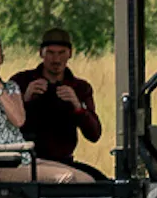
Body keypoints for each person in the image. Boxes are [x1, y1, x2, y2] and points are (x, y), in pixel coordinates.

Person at [0, 35, 87, 184]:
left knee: (87, 180)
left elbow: (19, 120)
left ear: (1, 61)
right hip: (0, 164)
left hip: (24, 158)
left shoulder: (10, 88)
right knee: (66, 178)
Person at [7, 28, 103, 180]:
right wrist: (24, 100)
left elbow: (94, 134)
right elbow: (4, 126)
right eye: (50, 53)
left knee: (101, 183)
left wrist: (77, 107)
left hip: (64, 161)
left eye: (61, 53)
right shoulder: (21, 81)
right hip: (27, 161)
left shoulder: (80, 87)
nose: (56, 60)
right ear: (41, 53)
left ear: (70, 54)